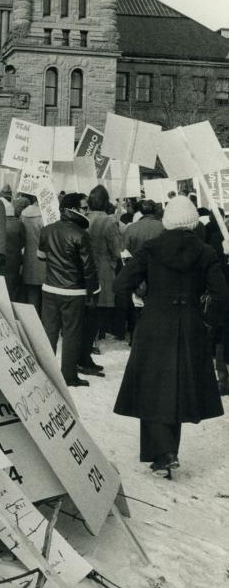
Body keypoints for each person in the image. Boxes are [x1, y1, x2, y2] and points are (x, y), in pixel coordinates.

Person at [113, 195, 228, 475]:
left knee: (153, 386)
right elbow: (223, 295)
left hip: (154, 321)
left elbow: (120, 284)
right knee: (176, 387)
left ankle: (163, 452)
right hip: (190, 323)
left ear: (167, 221)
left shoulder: (152, 249)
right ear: (191, 222)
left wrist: (142, 294)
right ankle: (167, 452)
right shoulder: (205, 252)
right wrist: (208, 323)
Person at [38, 192, 99, 387]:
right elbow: (89, 268)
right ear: (73, 209)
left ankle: (46, 373)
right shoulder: (82, 234)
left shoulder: (47, 230)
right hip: (74, 291)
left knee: (49, 332)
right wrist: (93, 292)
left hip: (50, 288)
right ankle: (68, 376)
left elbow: (40, 256)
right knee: (72, 335)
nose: (87, 211)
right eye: (83, 207)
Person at [80, 184, 122, 374]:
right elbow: (117, 250)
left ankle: (83, 355)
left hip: (84, 272)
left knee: (86, 317)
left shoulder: (84, 219)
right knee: (95, 318)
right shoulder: (110, 222)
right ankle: (84, 357)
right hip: (103, 273)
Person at [20, 195, 45, 313]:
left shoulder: (24, 213)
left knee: (32, 298)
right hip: (44, 260)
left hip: (28, 259)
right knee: (45, 299)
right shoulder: (45, 215)